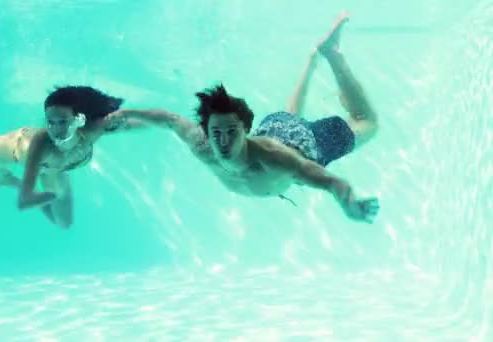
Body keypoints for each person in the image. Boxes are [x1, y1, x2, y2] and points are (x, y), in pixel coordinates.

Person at [107, 12, 380, 223]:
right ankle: (312, 62)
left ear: (247, 129)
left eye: (231, 133)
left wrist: (348, 202)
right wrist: (126, 113)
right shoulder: (202, 146)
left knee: (366, 121)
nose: (223, 142)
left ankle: (331, 55)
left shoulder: (275, 159)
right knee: (288, 119)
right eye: (216, 133)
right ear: (206, 131)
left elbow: (330, 181)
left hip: (304, 145)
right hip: (276, 128)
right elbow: (170, 120)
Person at [0, 44, 139, 229]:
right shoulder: (44, 144)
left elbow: (128, 123)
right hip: (17, 150)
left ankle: (7, 179)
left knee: (63, 223)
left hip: (56, 168)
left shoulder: (94, 128)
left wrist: (167, 123)